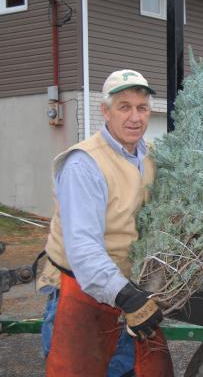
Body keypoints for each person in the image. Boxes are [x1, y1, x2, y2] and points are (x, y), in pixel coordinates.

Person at [36, 70, 173, 376]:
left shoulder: (147, 157)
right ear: (105, 111)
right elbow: (83, 249)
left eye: (142, 107)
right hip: (82, 293)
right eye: (124, 107)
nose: (135, 117)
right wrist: (126, 296)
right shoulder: (84, 165)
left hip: (127, 292)